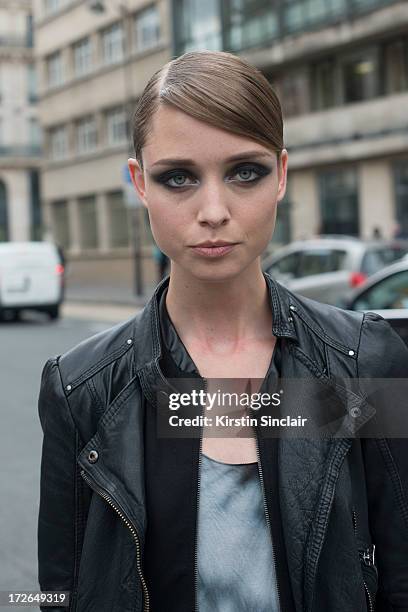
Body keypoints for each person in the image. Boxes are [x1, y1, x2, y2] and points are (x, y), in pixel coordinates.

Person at [37, 50, 408, 612]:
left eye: (244, 172)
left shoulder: (361, 358)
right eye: (178, 178)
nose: (213, 210)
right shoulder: (81, 388)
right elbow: (60, 594)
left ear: (281, 174)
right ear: (140, 182)